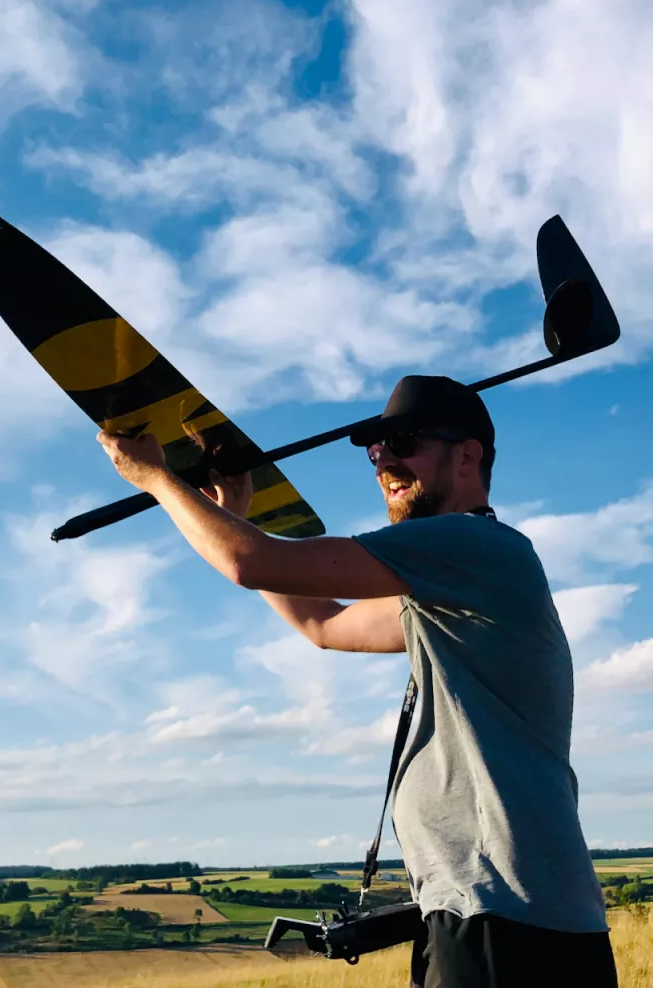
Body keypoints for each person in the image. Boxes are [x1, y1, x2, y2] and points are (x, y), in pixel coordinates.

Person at [97, 374, 616, 988]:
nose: (383, 461)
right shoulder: (450, 595)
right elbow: (325, 623)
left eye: (403, 441)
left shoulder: (477, 545)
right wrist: (230, 512)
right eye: (375, 448)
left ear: (468, 455)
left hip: (507, 918)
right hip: (479, 910)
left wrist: (158, 478)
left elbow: (250, 561)